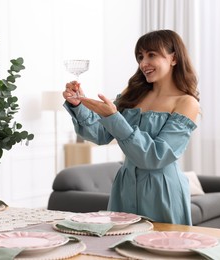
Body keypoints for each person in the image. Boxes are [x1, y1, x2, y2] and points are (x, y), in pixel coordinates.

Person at [62, 29, 200, 225]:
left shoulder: (187, 103)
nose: (144, 63)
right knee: (118, 246)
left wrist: (113, 116)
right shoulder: (133, 95)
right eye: (140, 57)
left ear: (174, 58)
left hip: (162, 190)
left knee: (162, 250)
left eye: (152, 55)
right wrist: (78, 106)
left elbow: (155, 157)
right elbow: (100, 135)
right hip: (125, 186)